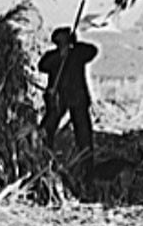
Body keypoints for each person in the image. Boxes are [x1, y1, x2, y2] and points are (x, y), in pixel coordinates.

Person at [38, 26, 100, 155]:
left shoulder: (77, 53)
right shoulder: (54, 57)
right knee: (49, 126)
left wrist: (74, 47)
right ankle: (43, 151)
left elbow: (93, 51)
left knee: (83, 133)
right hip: (59, 97)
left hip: (77, 97)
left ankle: (86, 160)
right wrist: (60, 56)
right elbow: (42, 66)